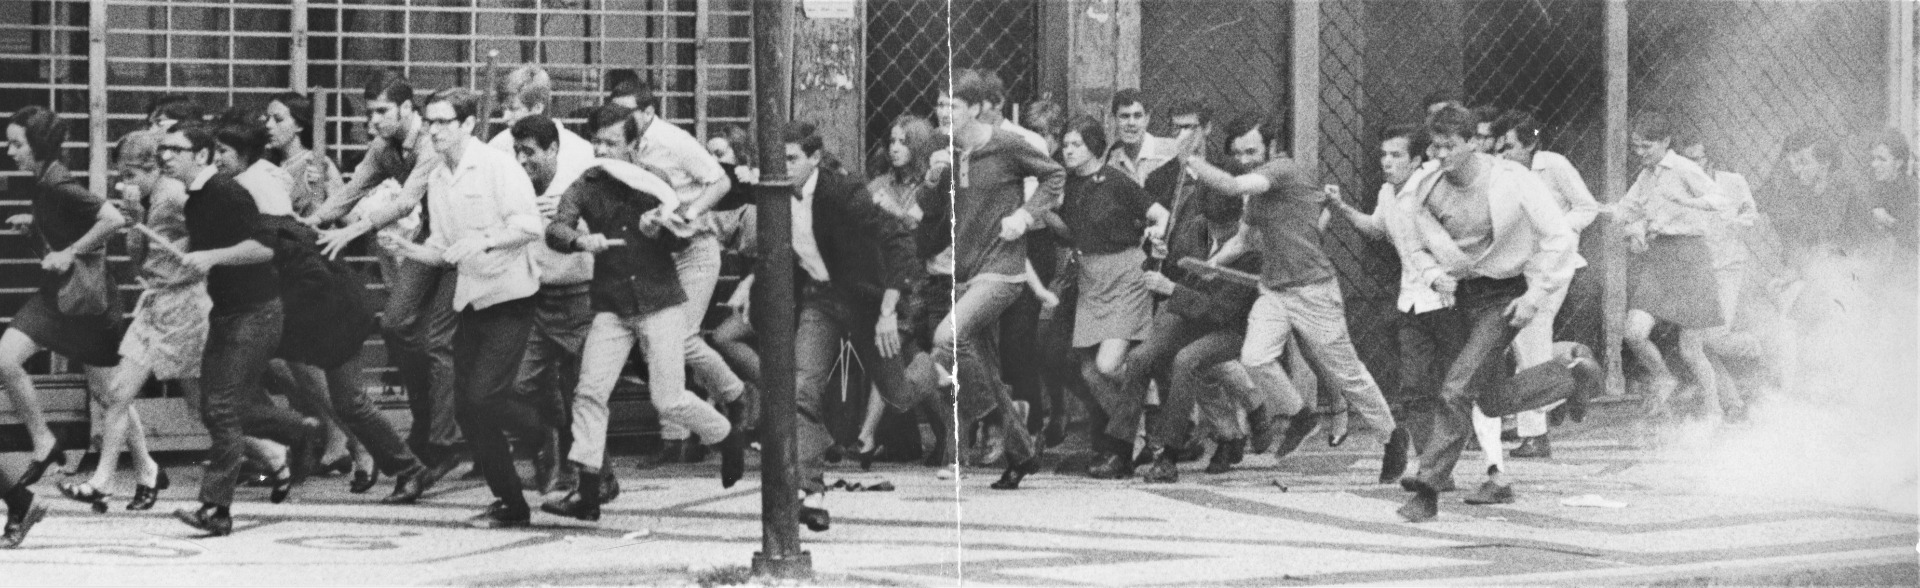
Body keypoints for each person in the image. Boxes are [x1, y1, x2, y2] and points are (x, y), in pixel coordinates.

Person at [543, 104, 741, 523]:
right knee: (589, 392)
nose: (601, 149)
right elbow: (556, 228)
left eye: (611, 142)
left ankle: (726, 437)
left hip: (660, 302)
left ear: (634, 146)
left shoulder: (656, 181)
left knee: (668, 398)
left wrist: (661, 229)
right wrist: (581, 241)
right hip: (612, 306)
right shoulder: (586, 183)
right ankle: (588, 491)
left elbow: (681, 241)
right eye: (596, 141)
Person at [1385, 105, 1580, 521]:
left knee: (1455, 388)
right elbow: (1411, 242)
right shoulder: (1424, 185)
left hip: (1505, 295)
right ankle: (1570, 373)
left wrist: (1535, 294)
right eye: (1435, 146)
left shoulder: (1511, 179)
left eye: (1450, 146)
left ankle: (1427, 490)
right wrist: (1434, 273)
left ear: (1474, 142)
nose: (1441, 154)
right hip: (1461, 297)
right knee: (1487, 400)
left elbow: (1559, 237)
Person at [372, 88, 550, 528]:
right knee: (469, 409)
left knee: (480, 399)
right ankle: (511, 501)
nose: (433, 130)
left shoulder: (497, 166)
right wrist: (406, 250)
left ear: (468, 125)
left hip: (511, 297)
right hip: (471, 297)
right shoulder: (437, 177)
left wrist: (485, 239)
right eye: (429, 122)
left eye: (443, 122)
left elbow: (530, 225)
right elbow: (442, 249)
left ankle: (546, 428)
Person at [1188, 114, 1398, 461]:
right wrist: (1213, 266)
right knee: (1255, 357)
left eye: (1251, 151)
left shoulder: (1283, 170)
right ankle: (1301, 415)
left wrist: (1190, 158)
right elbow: (1242, 242)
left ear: (1272, 148)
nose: (1244, 160)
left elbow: (1231, 185)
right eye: (1238, 154)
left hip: (1313, 289)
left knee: (1347, 374)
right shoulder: (1259, 190)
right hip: (1274, 291)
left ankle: (1391, 437)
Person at [312, 72, 466, 483]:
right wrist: (310, 222)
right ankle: (427, 423)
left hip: (462, 244)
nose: (373, 121)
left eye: (382, 111)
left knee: (439, 343)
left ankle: (441, 437)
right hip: (427, 244)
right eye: (369, 113)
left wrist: (353, 230)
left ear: (406, 108)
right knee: (397, 327)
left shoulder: (431, 144)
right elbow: (351, 191)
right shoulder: (383, 147)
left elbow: (404, 202)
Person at [940, 69, 1064, 490]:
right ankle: (1021, 452)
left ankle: (996, 417)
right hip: (969, 272)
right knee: (987, 368)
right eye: (941, 105)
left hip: (1004, 269)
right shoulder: (952, 153)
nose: (944, 112)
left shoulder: (1009, 144)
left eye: (953, 105)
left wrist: (1025, 216)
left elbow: (1055, 177)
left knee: (947, 337)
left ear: (975, 108)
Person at [165, 121, 284, 536]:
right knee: (216, 405)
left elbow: (265, 248)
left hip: (254, 312)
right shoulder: (196, 199)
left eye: (175, 149)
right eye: (164, 148)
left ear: (201, 155)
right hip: (230, 311)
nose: (165, 156)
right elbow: (206, 252)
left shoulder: (225, 192)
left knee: (222, 408)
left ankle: (216, 508)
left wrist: (211, 257)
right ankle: (301, 434)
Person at [2, 107, 128, 493]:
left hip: (85, 302)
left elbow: (112, 219)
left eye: (16, 143)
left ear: (37, 146)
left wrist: (71, 251)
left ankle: (147, 467)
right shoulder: (43, 183)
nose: (9, 151)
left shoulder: (58, 185)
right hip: (61, 298)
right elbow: (62, 235)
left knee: (111, 395)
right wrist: (34, 226)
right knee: (5, 360)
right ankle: (44, 441)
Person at [56, 131, 183, 512]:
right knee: (117, 393)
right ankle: (111, 480)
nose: (123, 183)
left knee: (206, 402)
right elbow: (140, 263)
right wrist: (136, 223)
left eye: (129, 174)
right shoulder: (151, 201)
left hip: (183, 308)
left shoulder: (175, 197)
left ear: (151, 166)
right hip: (156, 306)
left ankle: (275, 455)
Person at [490, 73, 601, 498]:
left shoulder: (582, 154)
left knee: (580, 387)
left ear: (538, 108)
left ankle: (580, 473)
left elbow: (603, 213)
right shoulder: (498, 150)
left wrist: (573, 217)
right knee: (516, 383)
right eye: (502, 107)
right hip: (525, 285)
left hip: (576, 287)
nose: (505, 116)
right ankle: (545, 442)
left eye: (513, 107)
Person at [1328, 123, 1438, 483]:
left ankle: (1568, 373)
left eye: (1396, 155)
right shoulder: (1387, 194)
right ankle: (1432, 467)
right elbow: (1376, 228)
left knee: (1467, 389)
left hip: (1448, 298)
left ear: (1417, 160)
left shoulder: (1433, 190)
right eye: (1384, 155)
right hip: (1412, 301)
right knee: (1415, 388)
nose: (1386, 162)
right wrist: (1341, 207)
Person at [1489, 110, 1599, 458]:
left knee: (1529, 348)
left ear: (1532, 143)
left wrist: (1556, 229)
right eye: (1499, 148)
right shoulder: (1505, 174)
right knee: (1522, 346)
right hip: (1521, 269)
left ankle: (1536, 434)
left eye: (1509, 147)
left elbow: (1587, 207)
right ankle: (1572, 374)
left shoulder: (1554, 166)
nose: (1502, 154)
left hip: (1551, 268)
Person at [1616, 112, 1729, 420]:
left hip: (1690, 257)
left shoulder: (1683, 168)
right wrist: (1630, 226)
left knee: (1691, 350)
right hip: (1660, 257)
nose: (1640, 153)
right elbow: (1628, 210)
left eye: (1647, 146)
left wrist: (1688, 203)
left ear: (1665, 142)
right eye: (1636, 147)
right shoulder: (1647, 174)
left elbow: (1719, 199)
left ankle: (1714, 412)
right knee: (1634, 332)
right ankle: (1664, 377)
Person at [1104, 89, 1176, 184]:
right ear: (1114, 120)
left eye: (1137, 116)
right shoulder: (1112, 162)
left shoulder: (1171, 152)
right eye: (1124, 116)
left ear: (1147, 119)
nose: (1131, 123)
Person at [1863, 129, 1916, 254]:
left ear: (1898, 163)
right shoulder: (1874, 188)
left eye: (1882, 159)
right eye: (1874, 158)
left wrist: (1888, 221)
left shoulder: (1912, 190)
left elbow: (1912, 236)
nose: (1874, 164)